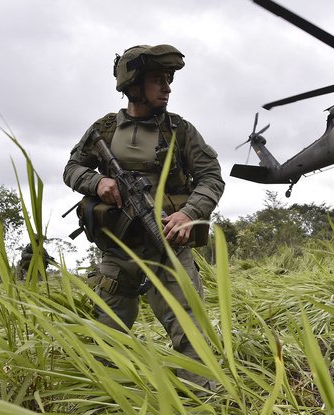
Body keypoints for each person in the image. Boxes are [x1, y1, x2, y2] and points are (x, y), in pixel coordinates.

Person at [63, 44, 224, 390]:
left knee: (190, 331)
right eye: (157, 80)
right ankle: (105, 404)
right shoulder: (105, 129)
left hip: (168, 249)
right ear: (134, 84)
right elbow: (72, 168)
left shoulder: (180, 131)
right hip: (118, 251)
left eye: (169, 79)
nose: (167, 87)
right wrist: (97, 182)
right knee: (107, 334)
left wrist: (188, 213)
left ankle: (203, 409)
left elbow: (212, 177)